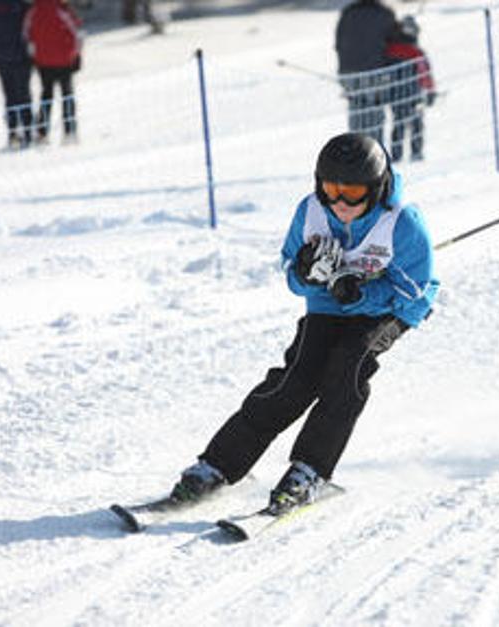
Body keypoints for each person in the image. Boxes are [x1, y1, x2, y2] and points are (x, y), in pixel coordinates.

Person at [170, 133, 439, 511]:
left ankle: (311, 471)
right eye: (331, 189)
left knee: (347, 368)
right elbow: (290, 270)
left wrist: (362, 294)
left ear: (376, 188)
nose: (340, 203)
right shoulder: (312, 211)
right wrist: (305, 272)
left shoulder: (402, 222)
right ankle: (217, 465)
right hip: (328, 305)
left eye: (353, 193)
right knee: (296, 378)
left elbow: (415, 288)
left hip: (389, 310)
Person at [335, 0, 397, 145]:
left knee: (357, 111)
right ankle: (374, 149)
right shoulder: (385, 14)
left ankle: (356, 147)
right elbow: (394, 45)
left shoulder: (348, 12)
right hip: (376, 72)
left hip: (349, 72)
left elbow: (338, 43)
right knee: (374, 115)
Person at [24, 0, 83, 144]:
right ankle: (69, 132)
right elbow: (76, 34)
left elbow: (27, 35)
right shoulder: (62, 10)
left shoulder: (34, 10)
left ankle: (42, 132)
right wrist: (76, 55)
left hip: (44, 62)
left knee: (46, 96)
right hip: (64, 61)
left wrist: (34, 56)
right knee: (67, 95)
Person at [0, 0, 33, 149]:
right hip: (19, 58)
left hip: (4, 58)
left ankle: (14, 132)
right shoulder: (22, 6)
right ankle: (26, 132)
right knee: (23, 95)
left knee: (11, 97)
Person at [384, 15, 436, 163]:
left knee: (398, 123)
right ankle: (416, 153)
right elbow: (424, 73)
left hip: (395, 94)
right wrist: (430, 91)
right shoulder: (416, 52)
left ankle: (396, 155)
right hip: (413, 94)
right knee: (416, 124)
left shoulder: (390, 50)